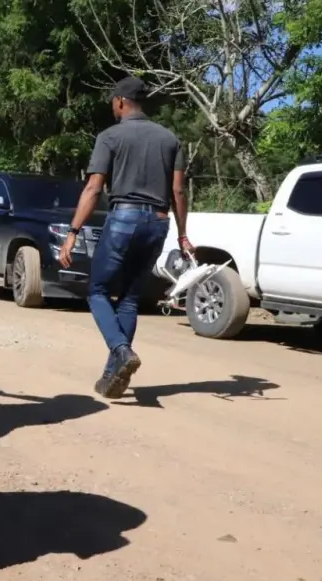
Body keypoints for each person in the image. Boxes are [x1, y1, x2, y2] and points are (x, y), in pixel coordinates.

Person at [58, 76, 193, 398]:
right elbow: (177, 190)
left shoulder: (111, 136)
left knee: (98, 291)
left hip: (124, 218)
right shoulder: (170, 139)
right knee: (130, 298)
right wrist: (183, 235)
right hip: (159, 221)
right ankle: (112, 374)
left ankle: (120, 349)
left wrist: (73, 232)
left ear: (120, 101)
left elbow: (93, 188)